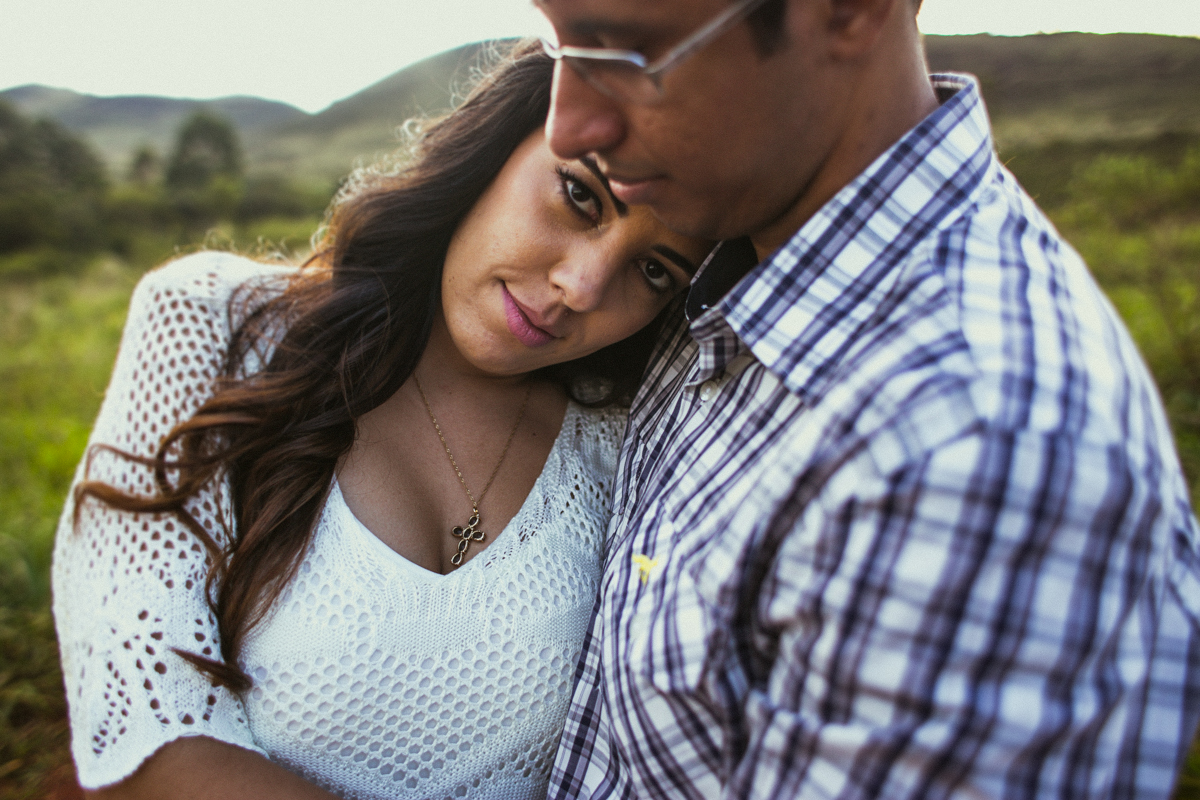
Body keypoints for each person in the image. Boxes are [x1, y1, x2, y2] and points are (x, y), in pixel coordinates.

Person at [535, 0, 1200, 798]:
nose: (565, 127)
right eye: (556, 40)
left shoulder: (973, 451)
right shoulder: (740, 238)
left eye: (625, 51)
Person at [51, 42, 712, 800]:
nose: (583, 287)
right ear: (498, 148)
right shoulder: (215, 325)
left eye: (655, 271)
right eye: (581, 196)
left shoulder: (624, 446)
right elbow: (145, 727)